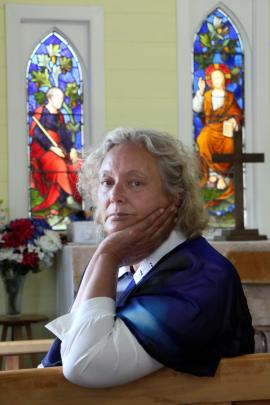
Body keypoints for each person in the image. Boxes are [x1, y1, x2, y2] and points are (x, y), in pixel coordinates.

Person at [40, 128, 254, 388]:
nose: (115, 196)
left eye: (135, 182)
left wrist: (106, 254)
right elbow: (53, 363)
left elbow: (83, 365)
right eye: (107, 182)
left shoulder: (201, 277)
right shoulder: (119, 264)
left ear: (176, 195)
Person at [193, 63, 243, 197]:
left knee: (230, 144)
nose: (217, 81)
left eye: (219, 78)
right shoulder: (207, 95)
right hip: (210, 127)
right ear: (210, 81)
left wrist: (234, 120)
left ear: (225, 80)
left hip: (225, 128)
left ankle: (223, 175)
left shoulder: (230, 96)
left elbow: (237, 113)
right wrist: (201, 92)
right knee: (202, 139)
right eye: (214, 78)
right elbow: (197, 109)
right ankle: (213, 173)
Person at [30, 86, 81, 211]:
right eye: (59, 98)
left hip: (59, 148)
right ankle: (65, 198)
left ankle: (74, 199)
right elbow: (37, 133)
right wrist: (52, 148)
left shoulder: (59, 115)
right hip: (43, 150)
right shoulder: (41, 112)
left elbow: (63, 135)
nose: (61, 101)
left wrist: (72, 149)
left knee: (77, 164)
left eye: (62, 99)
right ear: (50, 98)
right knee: (59, 166)